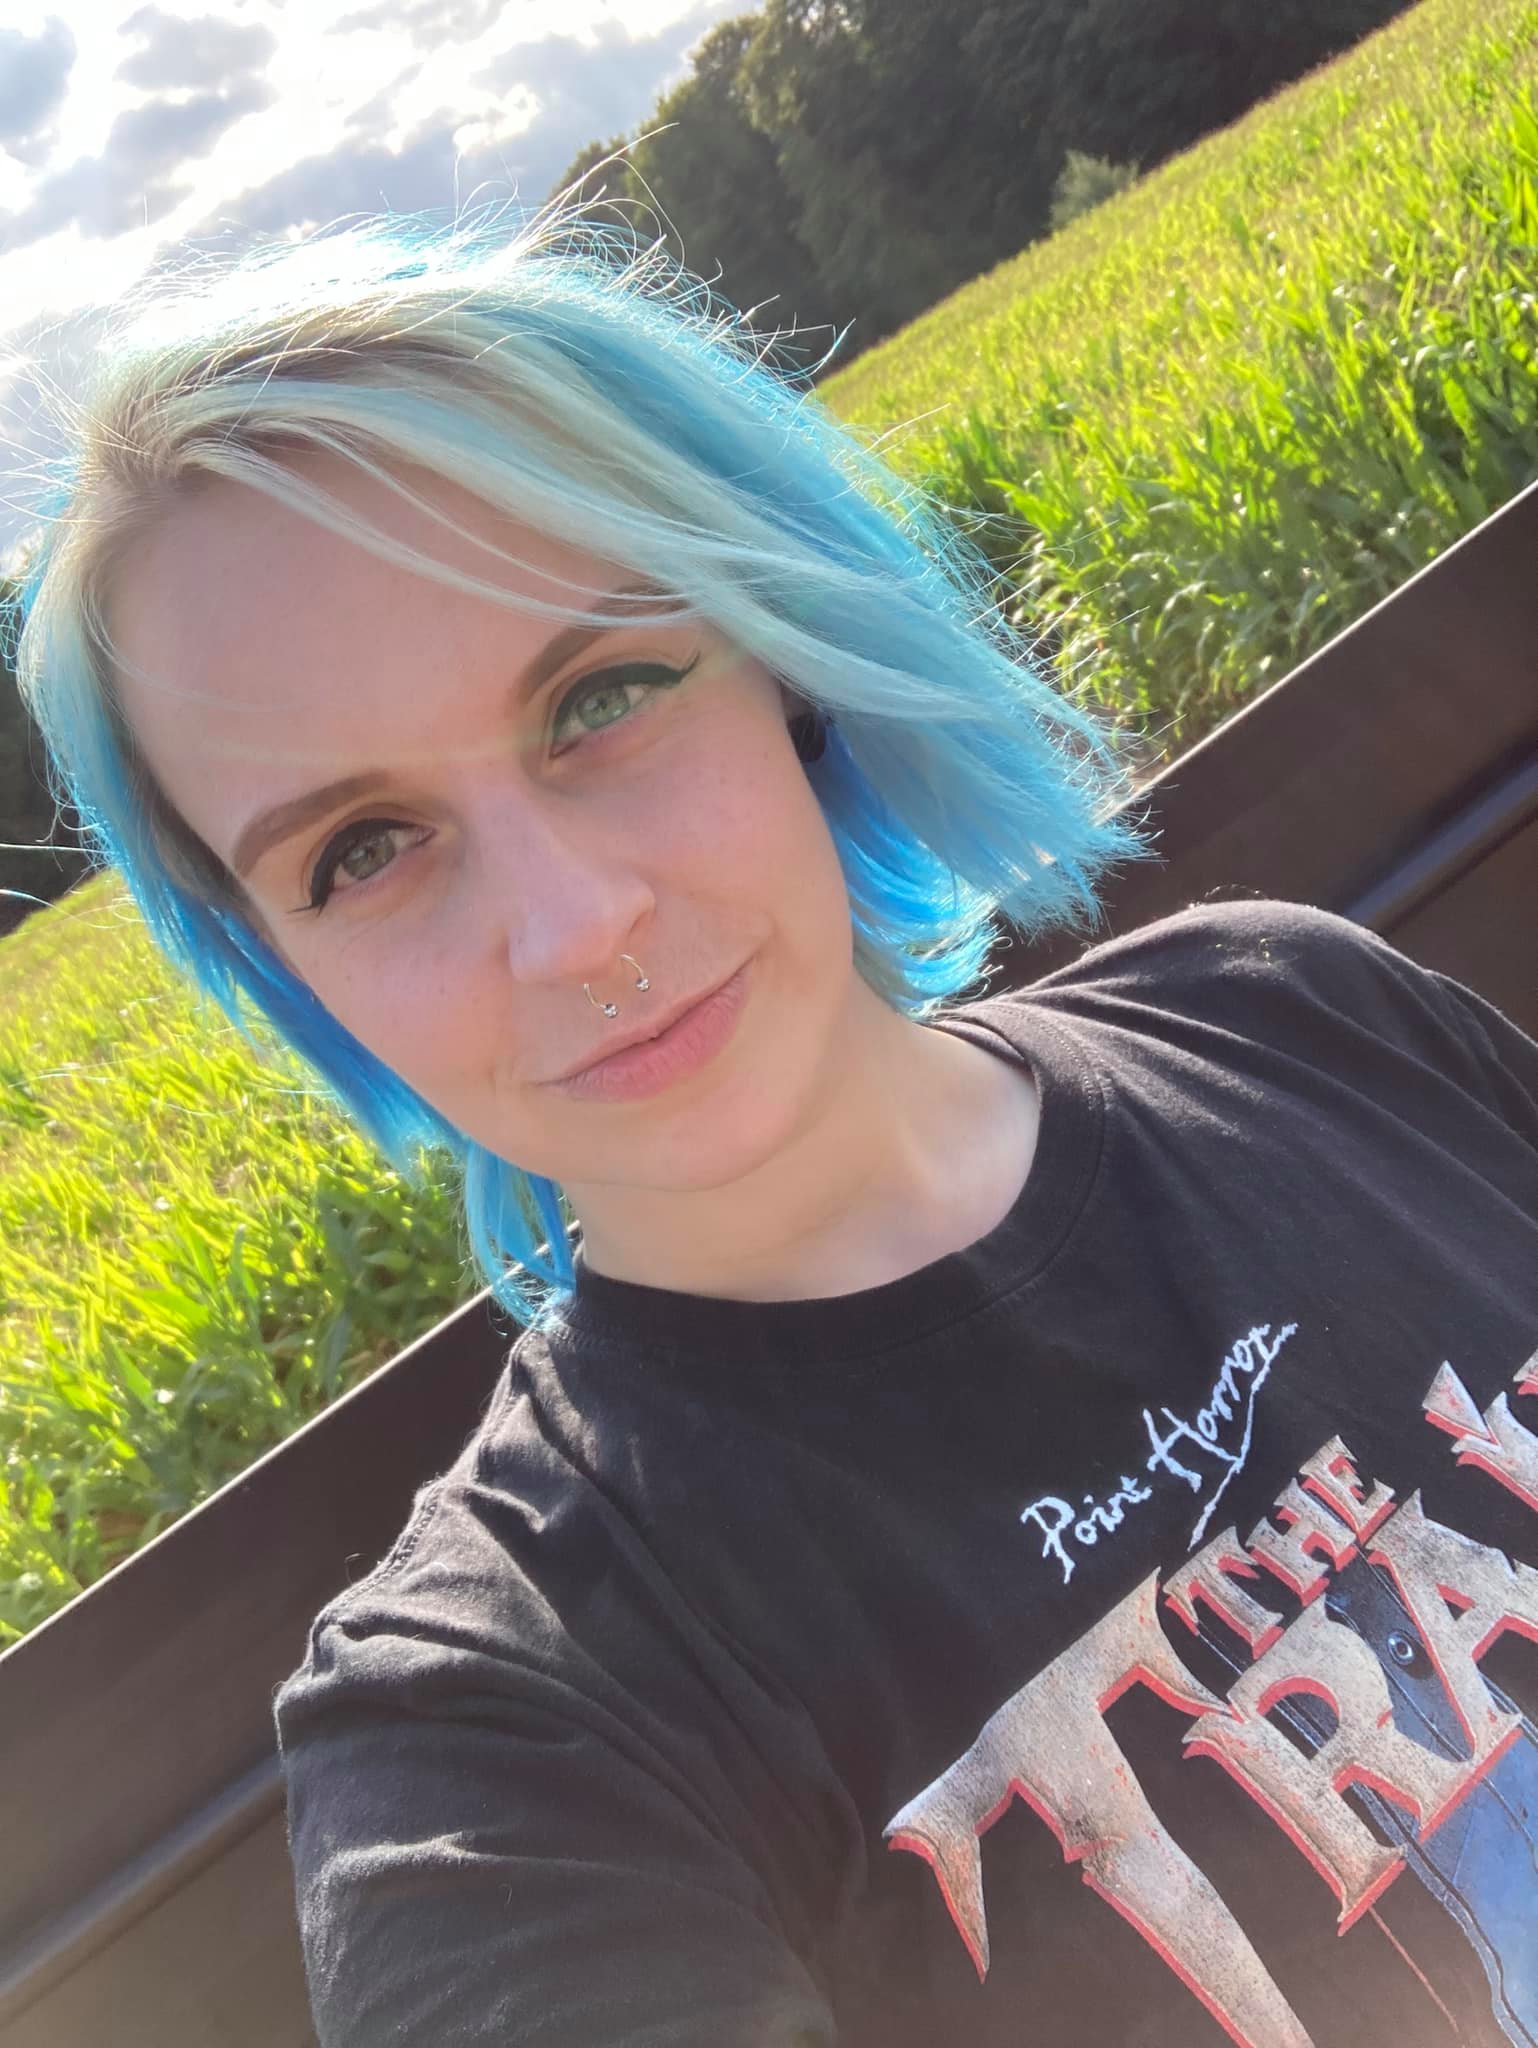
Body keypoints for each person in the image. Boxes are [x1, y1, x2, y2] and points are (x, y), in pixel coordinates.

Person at [13, 199, 1538, 2048]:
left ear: (782, 655)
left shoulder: (1299, 1014)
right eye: (364, 849)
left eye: (601, 696)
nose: (572, 928)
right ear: (287, 971)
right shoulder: (500, 1732)